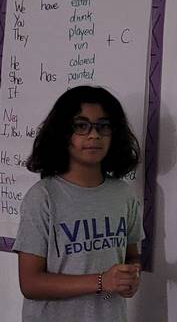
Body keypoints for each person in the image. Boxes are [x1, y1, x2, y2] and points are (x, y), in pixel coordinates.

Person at [13, 85, 144, 322]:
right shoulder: (43, 197)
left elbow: (131, 256)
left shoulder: (124, 195)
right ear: (63, 133)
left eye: (103, 126)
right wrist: (102, 281)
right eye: (81, 126)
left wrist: (131, 277)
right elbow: (30, 283)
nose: (94, 135)